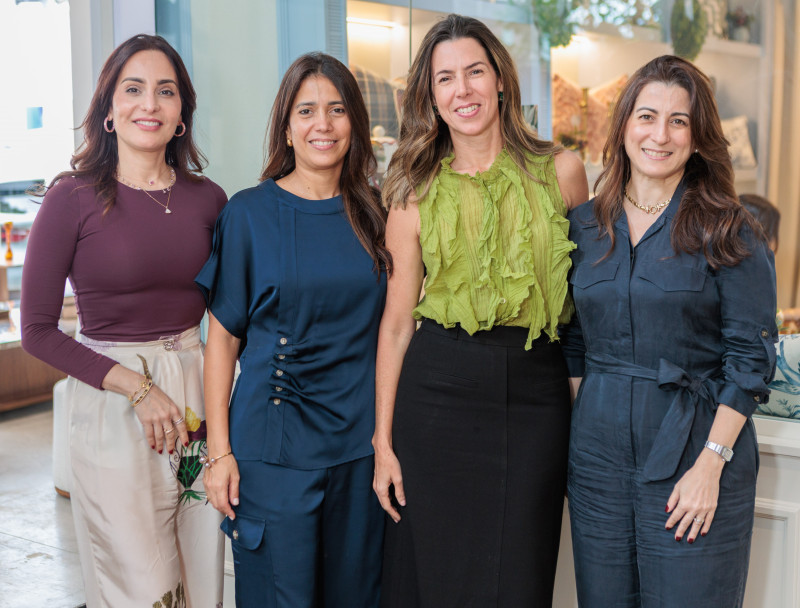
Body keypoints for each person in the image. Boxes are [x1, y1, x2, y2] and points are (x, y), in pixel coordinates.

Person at [373, 14, 588, 607]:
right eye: (446, 78)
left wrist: (574, 387)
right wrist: (384, 442)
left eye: (474, 72)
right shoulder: (413, 190)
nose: (462, 90)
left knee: (521, 572)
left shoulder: (563, 173)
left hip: (536, 395)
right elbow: (395, 325)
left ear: (500, 80)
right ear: (431, 95)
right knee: (438, 571)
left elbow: (583, 305)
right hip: (438, 390)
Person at [562, 55, 777, 607]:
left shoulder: (730, 229)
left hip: (694, 456)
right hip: (598, 465)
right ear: (624, 126)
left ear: (698, 136)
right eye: (647, 116)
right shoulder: (584, 225)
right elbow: (575, 341)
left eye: (678, 121)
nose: (660, 135)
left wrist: (711, 464)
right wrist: (593, 418)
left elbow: (749, 363)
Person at [21, 35, 227, 607]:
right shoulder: (72, 198)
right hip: (113, 404)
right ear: (108, 108)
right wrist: (138, 387)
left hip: (198, 404)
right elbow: (36, 329)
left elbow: (233, 317)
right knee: (140, 585)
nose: (149, 105)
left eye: (166, 91)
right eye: (132, 89)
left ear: (182, 111)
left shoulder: (209, 200)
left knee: (203, 573)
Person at [195, 52, 390, 608]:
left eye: (336, 110)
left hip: (360, 452)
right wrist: (219, 453)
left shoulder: (375, 213)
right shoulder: (249, 213)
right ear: (286, 124)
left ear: (355, 121)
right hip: (270, 452)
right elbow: (223, 343)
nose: (322, 125)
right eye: (307, 111)